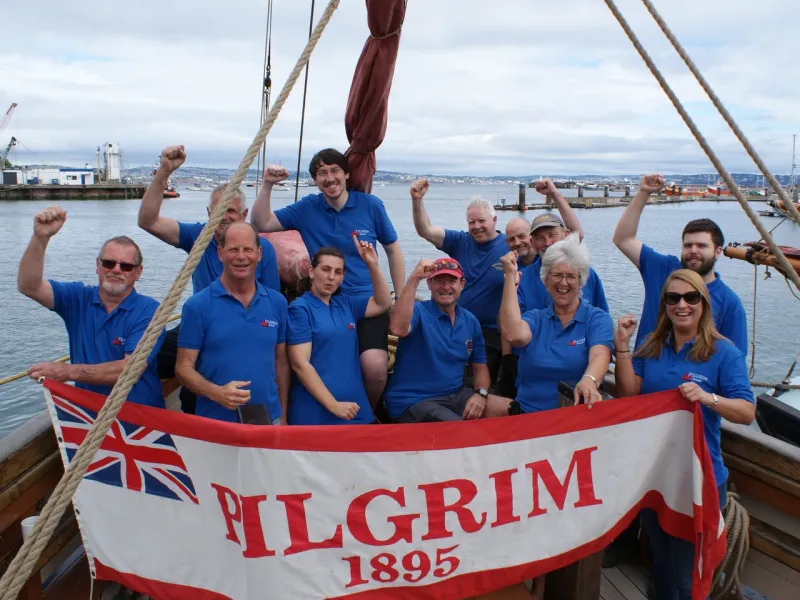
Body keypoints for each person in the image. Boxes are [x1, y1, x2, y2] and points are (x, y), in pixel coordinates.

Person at [614, 269, 755, 600]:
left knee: (688, 573)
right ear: (664, 304)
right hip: (656, 473)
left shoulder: (724, 353)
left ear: (702, 303)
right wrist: (622, 347)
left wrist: (708, 398)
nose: (682, 305)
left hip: (699, 478)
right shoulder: (651, 346)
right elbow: (627, 393)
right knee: (661, 561)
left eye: (690, 297)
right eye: (672, 298)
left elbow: (747, 413)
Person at [251, 149, 405, 407]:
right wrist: (267, 184)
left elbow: (392, 249)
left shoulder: (371, 206)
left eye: (335, 170)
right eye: (322, 173)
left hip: (367, 301)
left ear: (346, 174)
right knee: (304, 359)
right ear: (315, 180)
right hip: (324, 301)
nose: (329, 177)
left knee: (375, 366)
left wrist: (400, 298)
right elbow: (261, 222)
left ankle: (367, 410)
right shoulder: (307, 209)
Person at [138, 145, 280, 414]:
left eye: (231, 211)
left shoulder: (262, 250)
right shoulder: (198, 237)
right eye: (218, 210)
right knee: (145, 358)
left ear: (244, 216)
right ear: (208, 214)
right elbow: (148, 221)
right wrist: (164, 172)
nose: (224, 217)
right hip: (199, 323)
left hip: (244, 324)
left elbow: (271, 300)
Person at [17, 206, 165, 407]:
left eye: (126, 266)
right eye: (109, 263)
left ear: (138, 272)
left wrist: (66, 371)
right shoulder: (77, 298)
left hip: (141, 425)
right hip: (88, 419)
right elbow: (29, 286)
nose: (116, 270)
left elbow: (129, 370)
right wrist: (41, 238)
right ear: (97, 264)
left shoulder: (150, 311)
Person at [613, 173, 747, 353]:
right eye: (688, 245)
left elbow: (735, 360)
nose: (693, 250)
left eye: (702, 246)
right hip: (641, 376)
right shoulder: (663, 269)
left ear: (717, 251)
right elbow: (623, 239)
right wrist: (644, 192)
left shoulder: (729, 303)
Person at [175, 222, 290, 424]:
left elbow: (281, 362)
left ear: (259, 253)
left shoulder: (277, 303)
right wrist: (216, 392)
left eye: (248, 250)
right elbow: (183, 368)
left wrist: (284, 416)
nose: (241, 257)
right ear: (220, 253)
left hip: (268, 420)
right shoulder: (197, 306)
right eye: (233, 250)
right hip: (215, 423)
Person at [497, 178, 603, 396]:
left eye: (552, 235)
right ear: (533, 243)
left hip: (578, 368)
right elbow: (510, 323)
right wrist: (508, 360)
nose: (547, 243)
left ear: (565, 236)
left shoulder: (587, 274)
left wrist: (554, 193)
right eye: (540, 238)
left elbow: (602, 327)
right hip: (533, 367)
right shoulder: (523, 278)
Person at [384, 258, 511, 423]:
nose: (445, 287)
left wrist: (480, 394)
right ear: (429, 284)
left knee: (513, 409)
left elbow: (480, 368)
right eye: (439, 281)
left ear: (462, 284)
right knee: (460, 430)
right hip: (414, 401)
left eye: (452, 281)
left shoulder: (470, 321)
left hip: (456, 396)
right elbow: (398, 328)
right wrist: (414, 278)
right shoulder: (417, 311)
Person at [499, 234, 613, 412]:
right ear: (546, 280)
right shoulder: (535, 318)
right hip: (528, 415)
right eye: (557, 275)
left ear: (581, 281)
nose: (563, 282)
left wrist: (590, 379)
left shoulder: (596, 318)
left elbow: (601, 355)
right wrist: (509, 278)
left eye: (571, 276)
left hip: (573, 418)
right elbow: (512, 334)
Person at [409, 178, 508, 383]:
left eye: (482, 221)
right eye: (472, 222)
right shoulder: (460, 241)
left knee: (480, 383)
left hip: (492, 332)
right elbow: (425, 230)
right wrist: (417, 200)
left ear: (494, 220)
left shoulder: (509, 245)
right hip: (455, 325)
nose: (476, 226)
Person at [287, 240, 392, 425]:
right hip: (317, 413)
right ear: (312, 272)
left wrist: (372, 265)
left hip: (355, 409)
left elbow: (383, 303)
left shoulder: (346, 303)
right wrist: (333, 405)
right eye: (325, 270)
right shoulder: (300, 309)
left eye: (338, 272)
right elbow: (300, 364)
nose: (331, 277)